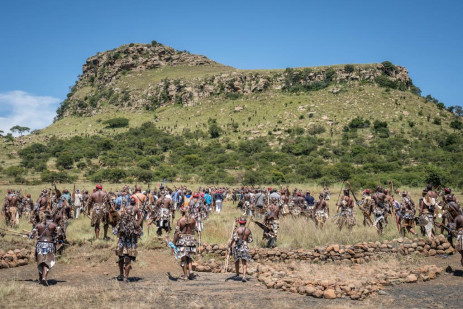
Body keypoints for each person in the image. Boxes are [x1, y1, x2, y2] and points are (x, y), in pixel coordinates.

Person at [113, 197, 142, 283]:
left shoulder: (121, 222)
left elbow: (115, 232)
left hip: (122, 243)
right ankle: (125, 278)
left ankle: (122, 275)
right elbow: (140, 232)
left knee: (121, 258)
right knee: (128, 259)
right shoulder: (135, 224)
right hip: (131, 244)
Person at [29, 211, 61, 286]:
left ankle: (41, 278)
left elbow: (31, 235)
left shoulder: (38, 225)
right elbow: (60, 235)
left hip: (40, 244)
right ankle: (43, 278)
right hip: (50, 245)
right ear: (50, 216)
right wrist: (57, 239)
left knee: (40, 261)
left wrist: (29, 235)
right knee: (47, 262)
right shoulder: (54, 225)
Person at [173, 204, 197, 280]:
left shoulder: (180, 220)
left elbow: (177, 233)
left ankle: (185, 276)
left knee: (183, 259)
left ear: (182, 212)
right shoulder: (193, 220)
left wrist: (174, 242)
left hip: (182, 241)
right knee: (189, 257)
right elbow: (194, 230)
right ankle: (190, 271)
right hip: (191, 240)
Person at [229, 217, 253, 282]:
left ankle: (237, 274)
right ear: (245, 222)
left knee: (237, 261)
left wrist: (230, 244)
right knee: (244, 261)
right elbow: (250, 240)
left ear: (239, 222)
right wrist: (245, 239)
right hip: (245, 246)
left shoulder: (237, 230)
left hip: (237, 247)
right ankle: (244, 276)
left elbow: (235, 238)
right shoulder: (248, 230)